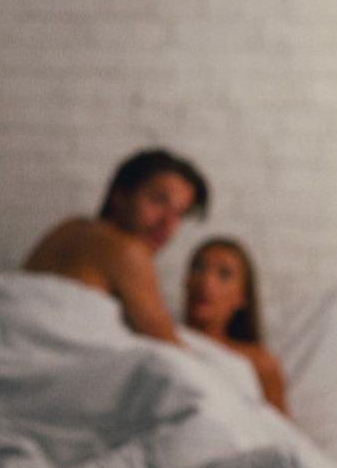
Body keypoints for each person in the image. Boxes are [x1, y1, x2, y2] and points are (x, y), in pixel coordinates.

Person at [21, 149, 209, 345]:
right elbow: (168, 345)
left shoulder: (69, 227)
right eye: (158, 201)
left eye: (179, 213)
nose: (168, 224)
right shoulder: (127, 250)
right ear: (120, 196)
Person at [184, 237, 288, 414]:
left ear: (242, 297)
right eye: (199, 267)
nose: (206, 281)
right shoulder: (163, 343)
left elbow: (280, 427)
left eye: (224, 274)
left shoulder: (260, 364)